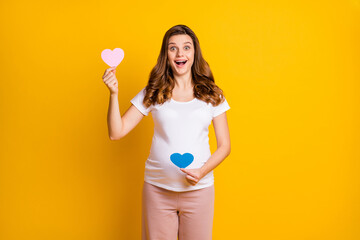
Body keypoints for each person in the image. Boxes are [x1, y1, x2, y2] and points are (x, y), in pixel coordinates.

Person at [102, 24, 231, 240]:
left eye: (186, 47)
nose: (180, 53)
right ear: (166, 54)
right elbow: (116, 132)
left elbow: (225, 146)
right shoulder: (154, 91)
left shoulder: (212, 94)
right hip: (157, 191)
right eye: (173, 48)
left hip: (199, 192)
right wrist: (113, 93)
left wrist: (201, 172)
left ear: (194, 53)